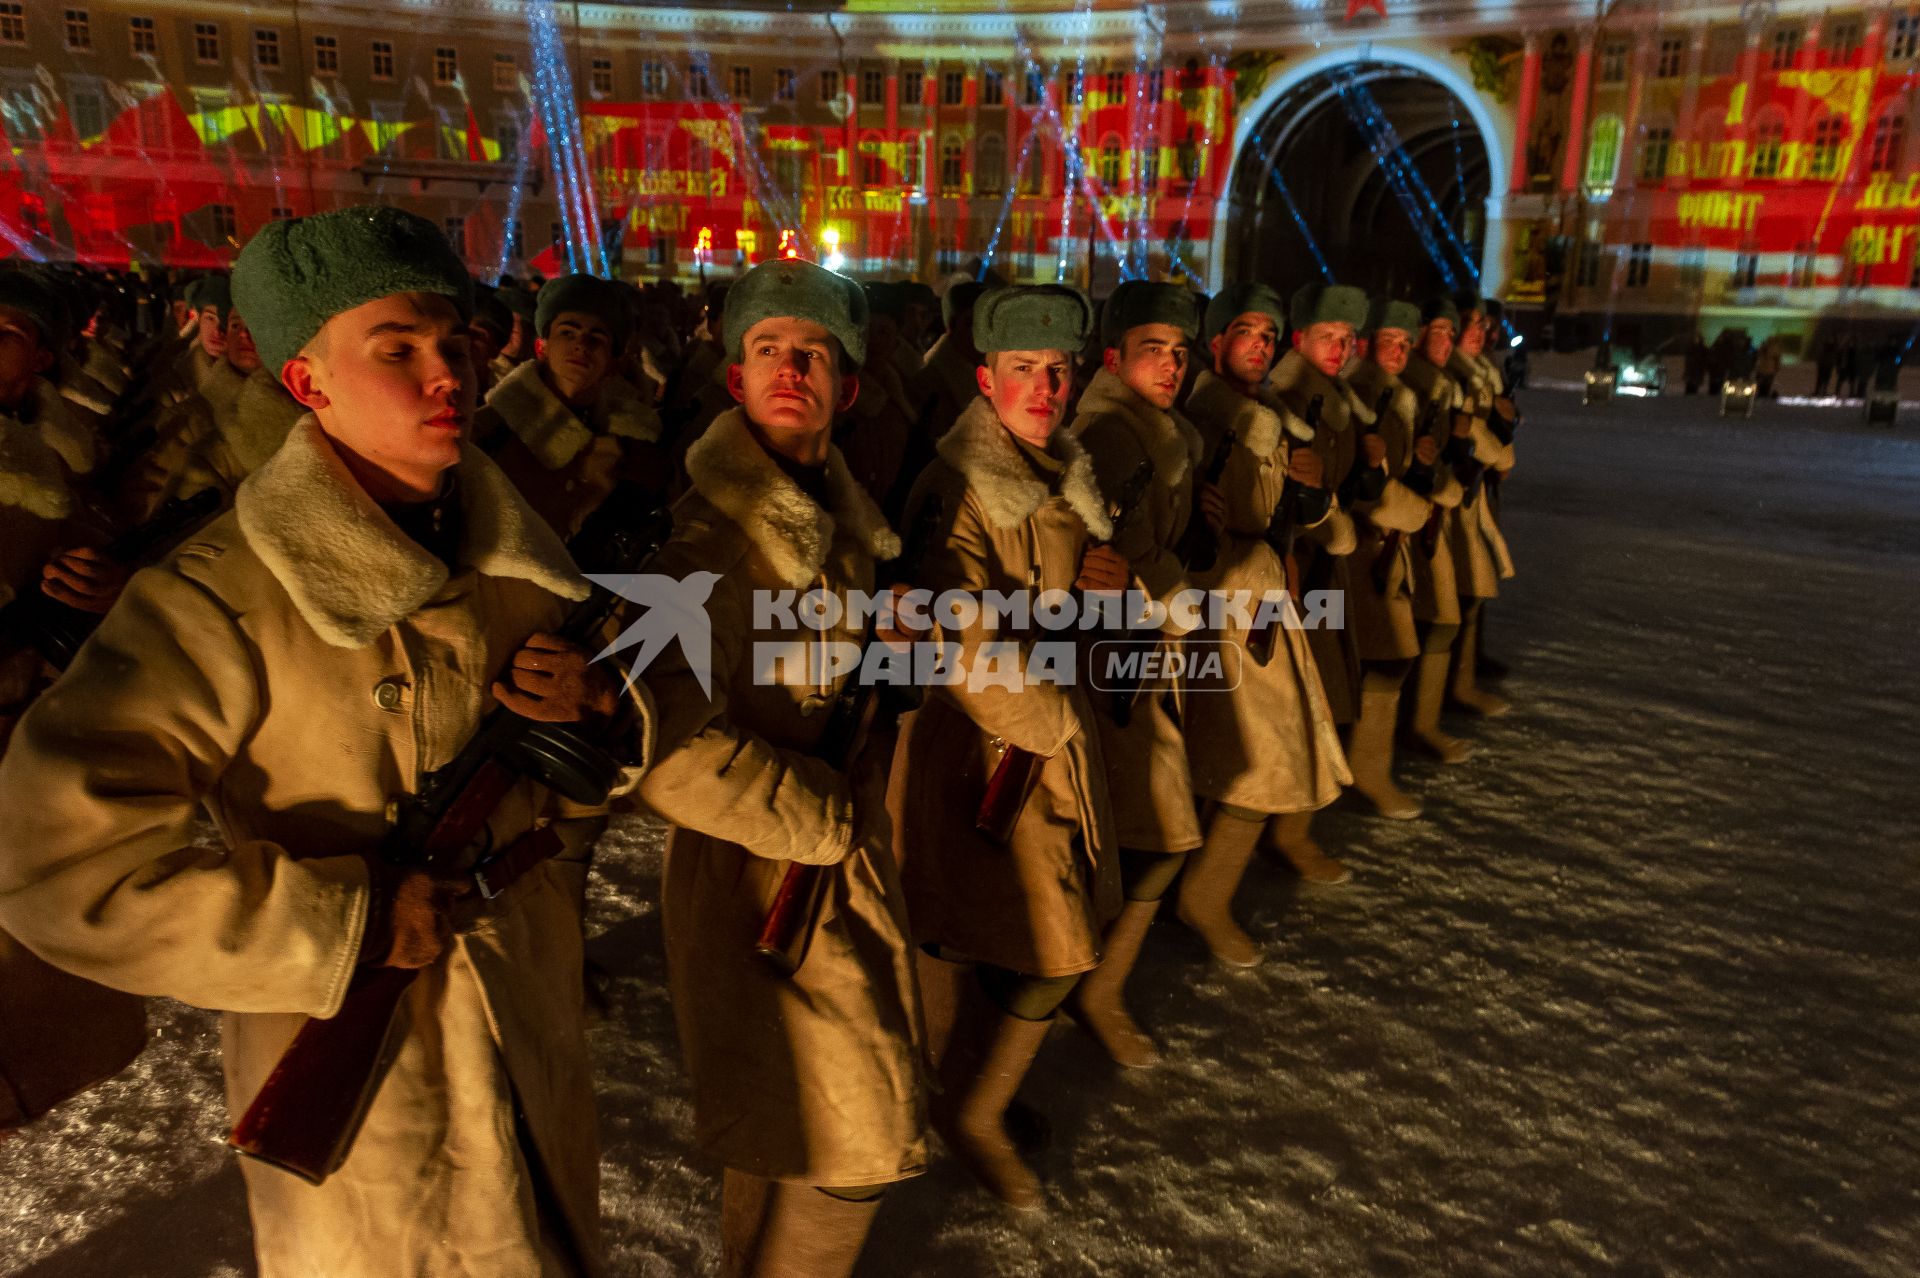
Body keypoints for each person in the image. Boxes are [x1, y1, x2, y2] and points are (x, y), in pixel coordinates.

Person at [0, 206, 649, 1276]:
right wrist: (335, 924)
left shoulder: (512, 556)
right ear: (309, 384)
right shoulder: (221, 597)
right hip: (361, 1057)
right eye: (396, 350)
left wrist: (592, 709)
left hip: (524, 1014)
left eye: (455, 343)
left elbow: (599, 755)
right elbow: (56, 858)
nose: (447, 372)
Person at [635, 259, 926, 1278]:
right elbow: (668, 754)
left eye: (814, 353)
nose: (790, 367)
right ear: (734, 379)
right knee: (862, 1138)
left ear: (848, 385)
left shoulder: (850, 521)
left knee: (782, 1120)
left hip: (831, 862)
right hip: (752, 875)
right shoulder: (695, 544)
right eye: (768, 350)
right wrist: (824, 820)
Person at [892, 283, 1125, 1204]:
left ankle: (967, 1093)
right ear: (984, 378)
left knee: (1011, 936)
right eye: (1023, 368)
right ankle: (968, 1108)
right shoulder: (955, 487)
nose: (1044, 385)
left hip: (1043, 742)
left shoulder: (1064, 469)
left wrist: (1109, 588)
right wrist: (1053, 711)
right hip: (983, 750)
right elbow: (955, 632)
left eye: (1058, 369)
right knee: (1029, 941)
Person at [1179, 283, 1351, 963]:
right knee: (1260, 763)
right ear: (1217, 342)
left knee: (1243, 762)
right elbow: (1193, 538)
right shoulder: (1202, 422)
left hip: (1265, 608)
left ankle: (1199, 893)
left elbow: (1286, 516)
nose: (1258, 344)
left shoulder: (1266, 414)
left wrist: (1307, 490)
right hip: (1227, 616)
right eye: (1244, 331)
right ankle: (1204, 899)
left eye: (1267, 334)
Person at [1266, 281, 1376, 882]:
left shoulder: (1331, 398)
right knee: (1296, 707)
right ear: (1300, 338)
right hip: (1292, 574)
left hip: (1320, 569)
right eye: (1327, 337)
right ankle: (1282, 836)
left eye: (1346, 339)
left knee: (1327, 695)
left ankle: (1292, 830)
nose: (1339, 349)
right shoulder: (1286, 398)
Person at [1344, 298, 1449, 820]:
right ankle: (1364, 777)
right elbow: (1369, 490)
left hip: (1381, 552)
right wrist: (1416, 504)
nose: (1401, 351)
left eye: (1407, 343)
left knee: (1385, 662)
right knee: (1380, 662)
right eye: (1391, 341)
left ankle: (1368, 772)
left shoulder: (1391, 396)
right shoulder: (1367, 397)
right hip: (1362, 552)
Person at [474, 272, 666, 542]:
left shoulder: (634, 442)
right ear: (542, 346)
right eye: (568, 332)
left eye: (597, 337)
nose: (581, 345)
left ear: (613, 360)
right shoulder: (490, 433)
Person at [1395, 297, 1475, 764]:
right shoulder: (1406, 393)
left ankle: (1421, 726)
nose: (1447, 341)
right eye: (1438, 331)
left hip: (1422, 526)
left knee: (1440, 624)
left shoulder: (1437, 390)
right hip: (1398, 532)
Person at [1444, 295, 1517, 718]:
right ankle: (1454, 685)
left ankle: (1463, 674)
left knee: (1473, 586)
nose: (1482, 331)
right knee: (1458, 593)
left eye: (1485, 323)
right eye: (1470, 322)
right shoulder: (1455, 376)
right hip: (1454, 495)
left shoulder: (1482, 371)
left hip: (1475, 492)